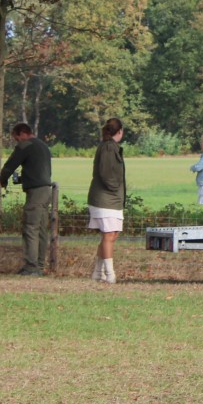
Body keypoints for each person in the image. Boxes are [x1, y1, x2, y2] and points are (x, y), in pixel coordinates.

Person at [0, 121, 53, 276]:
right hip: (46, 190)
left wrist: (2, 179)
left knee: (30, 228)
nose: (17, 142)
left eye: (17, 138)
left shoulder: (25, 146)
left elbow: (10, 165)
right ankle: (40, 265)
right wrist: (23, 179)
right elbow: (38, 171)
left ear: (22, 134)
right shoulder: (43, 146)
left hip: (35, 193)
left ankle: (31, 267)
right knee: (41, 229)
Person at [87, 117, 126, 284]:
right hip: (106, 199)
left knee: (111, 235)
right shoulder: (109, 147)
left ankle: (98, 272)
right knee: (109, 235)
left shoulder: (109, 146)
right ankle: (110, 274)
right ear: (120, 131)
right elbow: (105, 173)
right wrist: (114, 187)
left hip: (111, 199)